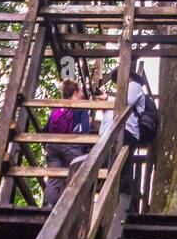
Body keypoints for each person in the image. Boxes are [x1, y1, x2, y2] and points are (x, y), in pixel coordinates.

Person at [42, 77, 90, 212]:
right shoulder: (81, 107)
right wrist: (85, 149)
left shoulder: (58, 107)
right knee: (76, 176)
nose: (81, 94)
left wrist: (47, 145)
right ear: (75, 91)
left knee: (53, 178)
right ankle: (70, 209)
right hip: (72, 145)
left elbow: (45, 129)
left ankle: (48, 206)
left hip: (53, 146)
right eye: (80, 90)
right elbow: (85, 129)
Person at [99, 67, 149, 193]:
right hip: (115, 130)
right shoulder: (122, 92)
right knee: (112, 163)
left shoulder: (134, 86)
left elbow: (125, 102)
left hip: (127, 130)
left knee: (123, 165)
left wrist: (106, 99)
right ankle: (113, 193)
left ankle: (122, 196)